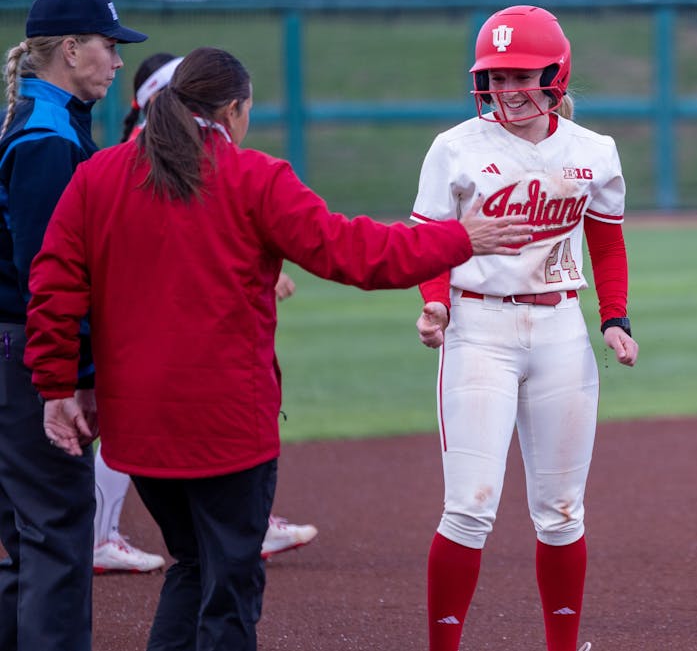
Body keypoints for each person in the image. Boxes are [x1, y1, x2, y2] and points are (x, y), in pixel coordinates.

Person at [25, 46, 532, 651]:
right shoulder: (252, 177)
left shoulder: (98, 175)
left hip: (138, 425)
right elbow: (355, 253)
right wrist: (459, 238)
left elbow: (53, 286)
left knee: (190, 565)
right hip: (228, 425)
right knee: (229, 586)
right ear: (235, 110)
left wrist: (57, 387)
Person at [410, 5, 639, 651]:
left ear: (555, 73)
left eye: (521, 74)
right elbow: (430, 240)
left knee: (563, 511)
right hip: (477, 325)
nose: (508, 88)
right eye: (496, 75)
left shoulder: (593, 151)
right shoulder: (455, 147)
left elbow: (608, 244)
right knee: (469, 506)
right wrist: (436, 305)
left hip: (562, 328)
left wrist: (614, 317)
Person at [90, 53, 317, 574]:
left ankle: (243, 525)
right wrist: (460, 238)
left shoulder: (120, 163)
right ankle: (102, 534)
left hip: (142, 357)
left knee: (193, 564)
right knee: (217, 566)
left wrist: (257, 261)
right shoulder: (148, 158)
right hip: (172, 365)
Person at [0, 0, 147, 650]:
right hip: (29, 356)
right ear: (69, 49)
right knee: (58, 529)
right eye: (108, 46)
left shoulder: (47, 122)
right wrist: (75, 375)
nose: (116, 62)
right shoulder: (47, 139)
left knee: (26, 539)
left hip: (17, 350)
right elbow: (51, 276)